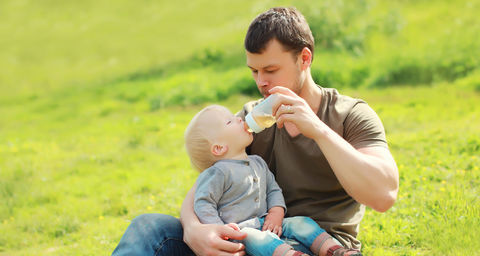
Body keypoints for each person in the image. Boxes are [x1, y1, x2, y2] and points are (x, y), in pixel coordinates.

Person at [111, 6, 398, 256]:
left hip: (313, 244)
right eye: (254, 71)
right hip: (250, 236)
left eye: (271, 70)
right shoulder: (251, 120)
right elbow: (205, 184)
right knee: (148, 228)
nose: (261, 82)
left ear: (305, 58)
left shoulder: (349, 114)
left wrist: (318, 131)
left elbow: (383, 195)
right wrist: (194, 230)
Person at [184, 105, 358, 256]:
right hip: (241, 231)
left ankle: (333, 249)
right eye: (230, 121)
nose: (239, 119)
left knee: (301, 222)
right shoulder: (217, 173)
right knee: (258, 239)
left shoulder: (258, 162)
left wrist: (276, 214)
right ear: (219, 148)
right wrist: (220, 230)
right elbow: (204, 202)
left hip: (267, 222)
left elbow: (273, 190)